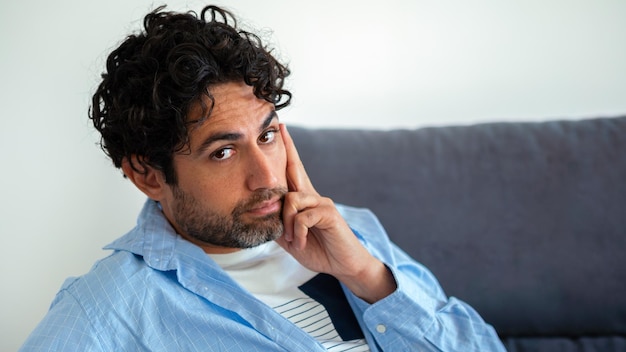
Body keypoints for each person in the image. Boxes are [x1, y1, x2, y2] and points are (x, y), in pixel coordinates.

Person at [20, 5, 506, 351]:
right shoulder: (107, 311)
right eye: (224, 151)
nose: (265, 176)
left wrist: (367, 276)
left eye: (268, 136)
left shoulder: (354, 232)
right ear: (147, 174)